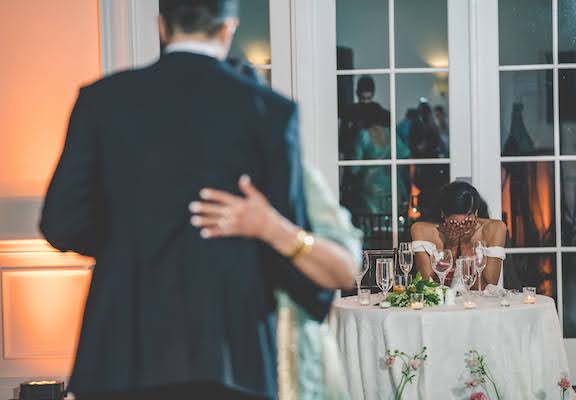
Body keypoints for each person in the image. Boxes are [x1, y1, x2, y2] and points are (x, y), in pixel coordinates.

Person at [39, 1, 332, 399]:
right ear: (229, 28)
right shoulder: (269, 110)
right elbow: (283, 230)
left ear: (162, 27)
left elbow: (60, 222)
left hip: (121, 351)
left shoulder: (101, 100)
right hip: (231, 350)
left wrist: (127, 244)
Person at [207, 58, 360, 400]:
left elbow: (345, 270)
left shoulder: (298, 178)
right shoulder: (182, 187)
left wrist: (273, 228)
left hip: (293, 368)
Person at [411, 181, 507, 289]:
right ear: (443, 214)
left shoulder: (495, 229)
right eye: (454, 224)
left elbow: (486, 288)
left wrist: (466, 246)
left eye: (466, 223)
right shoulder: (421, 230)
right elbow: (427, 287)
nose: (461, 229)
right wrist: (451, 247)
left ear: (476, 213)